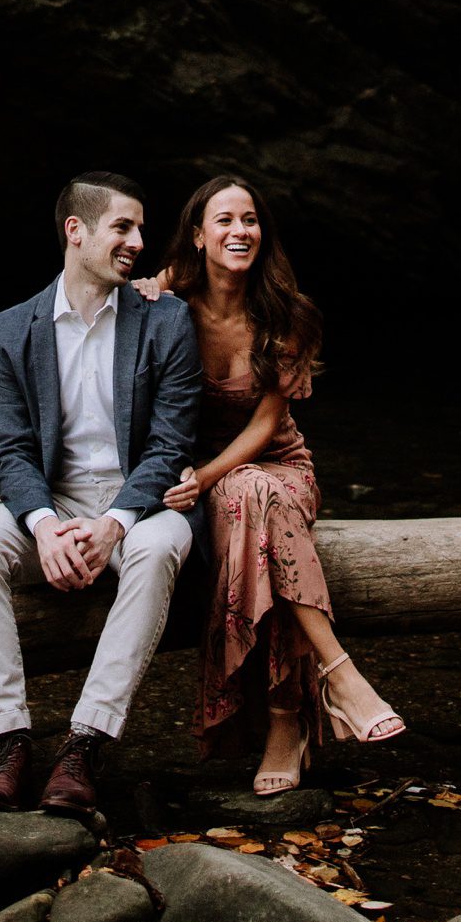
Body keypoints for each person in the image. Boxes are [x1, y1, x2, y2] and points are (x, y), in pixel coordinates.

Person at [140, 172, 404, 795]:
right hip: (207, 481)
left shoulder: (287, 315)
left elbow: (266, 428)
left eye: (250, 219)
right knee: (248, 501)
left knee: (252, 491)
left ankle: (312, 699)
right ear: (199, 236)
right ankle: (321, 694)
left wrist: (201, 480)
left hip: (279, 471)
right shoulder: (163, 305)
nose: (240, 230)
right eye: (225, 220)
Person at [0, 168, 203, 819]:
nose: (139, 241)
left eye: (140, 228)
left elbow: (170, 443)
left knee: (158, 551)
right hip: (55, 502)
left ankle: (85, 745)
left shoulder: (166, 320)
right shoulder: (11, 329)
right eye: (123, 227)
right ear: (76, 231)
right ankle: (7, 743)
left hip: (140, 503)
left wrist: (115, 523)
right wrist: (40, 525)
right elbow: (8, 448)